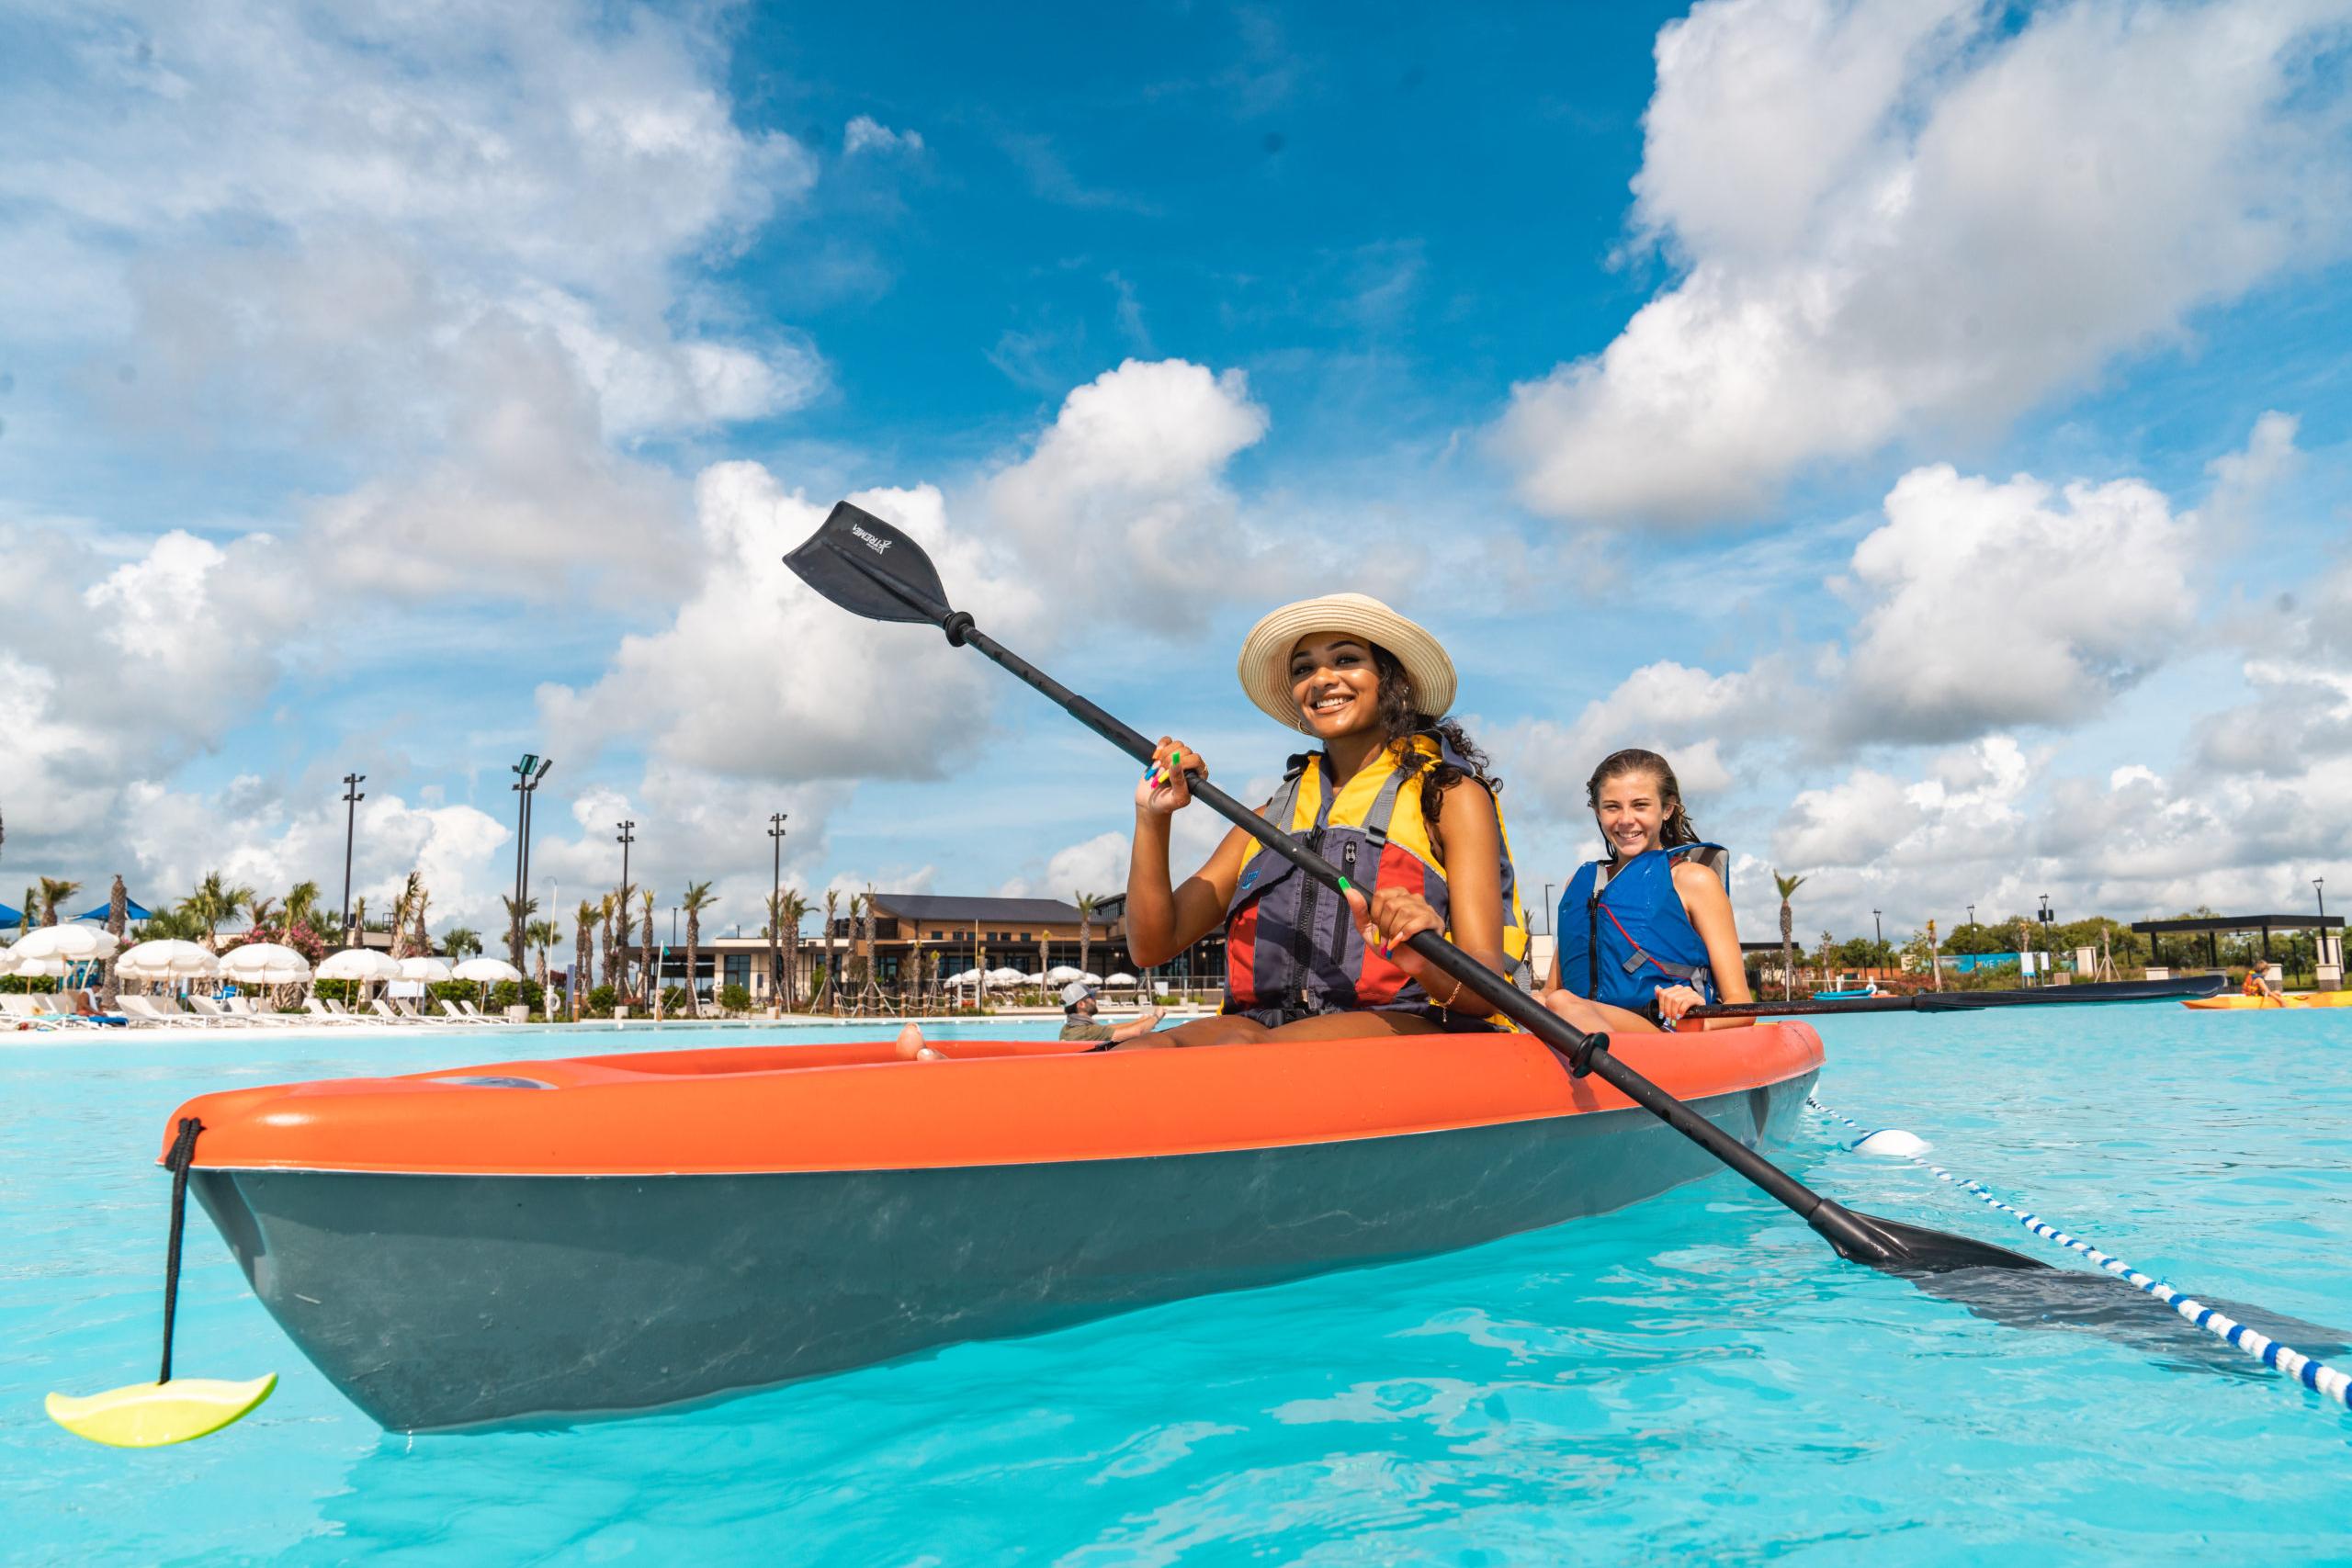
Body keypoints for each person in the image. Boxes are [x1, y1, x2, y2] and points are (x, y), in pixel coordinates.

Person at [1114, 592, 1537, 1048]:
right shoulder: (1268, 819)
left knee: (1250, 1053)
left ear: (1392, 681)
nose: (1321, 679)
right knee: (1143, 1050)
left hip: (1414, 1020)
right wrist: (1151, 818)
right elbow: (1152, 947)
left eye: (1346, 659)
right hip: (1261, 1027)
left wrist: (1422, 958)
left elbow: (1483, 989)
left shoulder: (1449, 798)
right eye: (1303, 669)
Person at [1543, 748, 1753, 1033]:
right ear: (1597, 811)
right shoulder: (1580, 885)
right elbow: (1550, 993)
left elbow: (1741, 1007)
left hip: (1663, 1032)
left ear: (1667, 809)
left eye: (1640, 805)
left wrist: (1697, 1017)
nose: (1626, 819)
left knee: (1563, 1003)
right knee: (1556, 1002)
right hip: (1580, 1029)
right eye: (1612, 807)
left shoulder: (1694, 881)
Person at [1057, 981, 1166, 1045]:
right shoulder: (1087, 1032)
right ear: (1081, 1004)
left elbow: (1108, 1028)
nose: (1095, 999)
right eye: (1091, 997)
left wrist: (1140, 1021)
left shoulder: (1068, 1028)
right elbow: (1136, 1032)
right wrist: (1157, 1017)